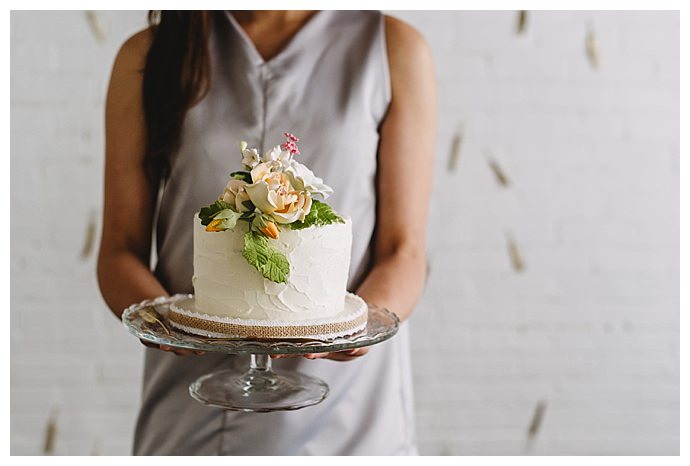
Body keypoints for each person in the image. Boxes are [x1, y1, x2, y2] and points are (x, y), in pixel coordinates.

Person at [97, 10, 436, 455]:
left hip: (351, 415)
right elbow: (119, 251)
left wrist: (353, 329)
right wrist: (175, 327)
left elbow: (404, 250)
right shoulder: (149, 54)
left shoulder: (393, 49)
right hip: (193, 412)